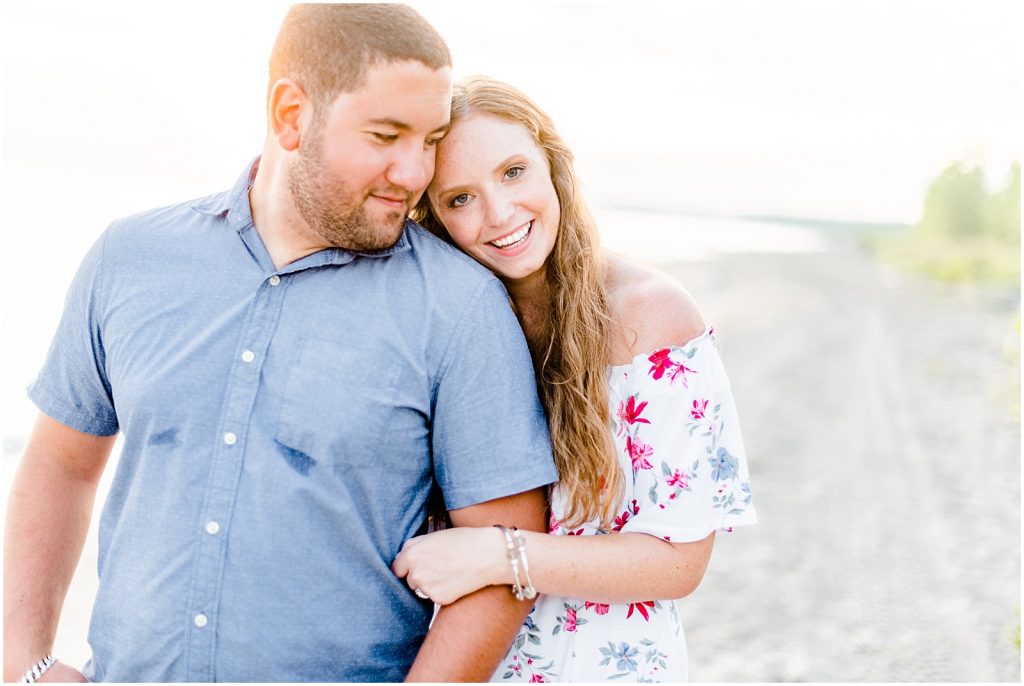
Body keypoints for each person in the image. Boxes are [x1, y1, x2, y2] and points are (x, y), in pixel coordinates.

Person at [3, 7, 558, 683]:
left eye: (431, 139)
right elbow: (60, 463)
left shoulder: (460, 307)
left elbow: (500, 562)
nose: (415, 173)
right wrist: (25, 662)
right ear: (291, 112)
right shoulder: (130, 258)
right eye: (387, 135)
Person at [393, 76, 757, 682]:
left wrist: (501, 557)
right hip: (465, 662)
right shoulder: (444, 329)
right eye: (461, 199)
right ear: (433, 217)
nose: (500, 214)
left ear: (552, 164)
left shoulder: (652, 316)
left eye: (513, 173)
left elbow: (678, 563)